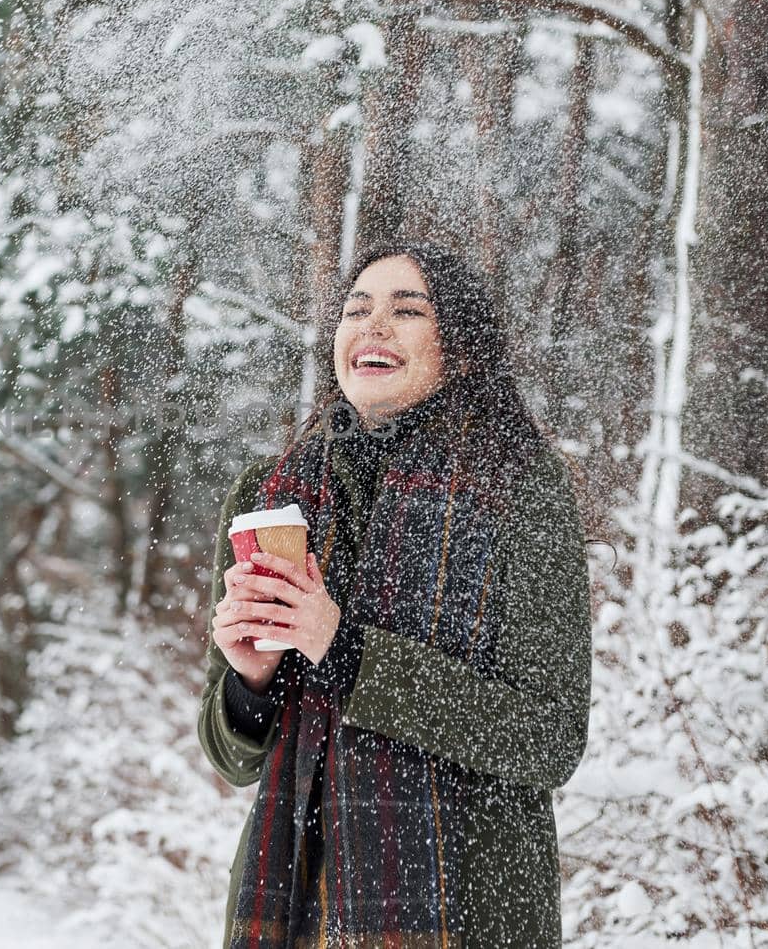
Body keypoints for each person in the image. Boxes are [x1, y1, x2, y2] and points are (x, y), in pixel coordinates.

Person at [196, 242, 593, 949]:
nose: (373, 327)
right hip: (297, 911)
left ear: (460, 349)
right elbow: (232, 758)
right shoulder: (272, 494)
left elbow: (549, 739)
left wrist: (344, 650)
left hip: (467, 910)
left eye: (406, 310)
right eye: (357, 309)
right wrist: (248, 680)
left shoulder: (521, 488)